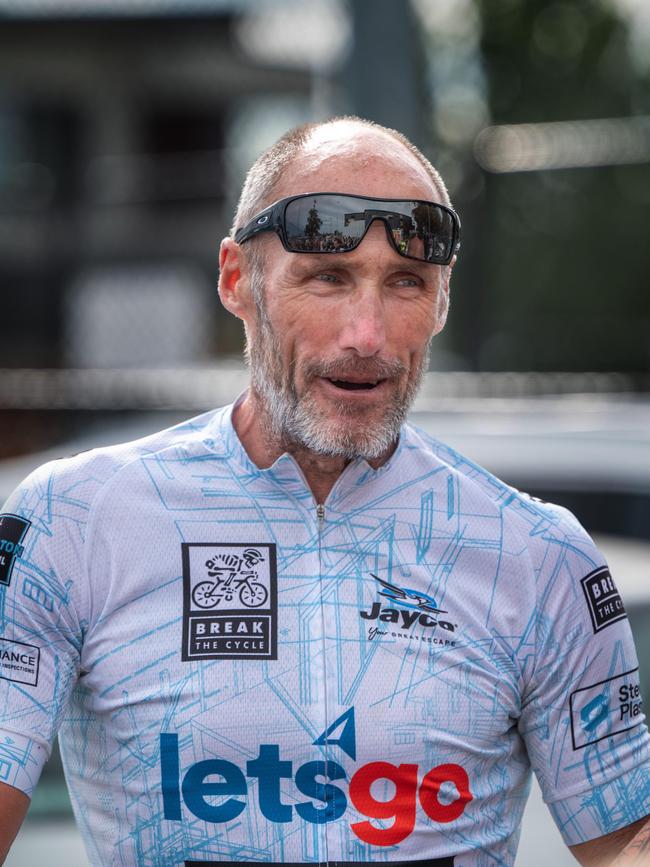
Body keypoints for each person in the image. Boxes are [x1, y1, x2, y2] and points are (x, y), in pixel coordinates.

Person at [0, 116, 648, 867]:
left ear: (441, 303)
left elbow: (623, 842)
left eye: (406, 283)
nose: (367, 334)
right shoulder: (72, 520)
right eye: (327, 277)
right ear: (237, 279)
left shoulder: (540, 554)